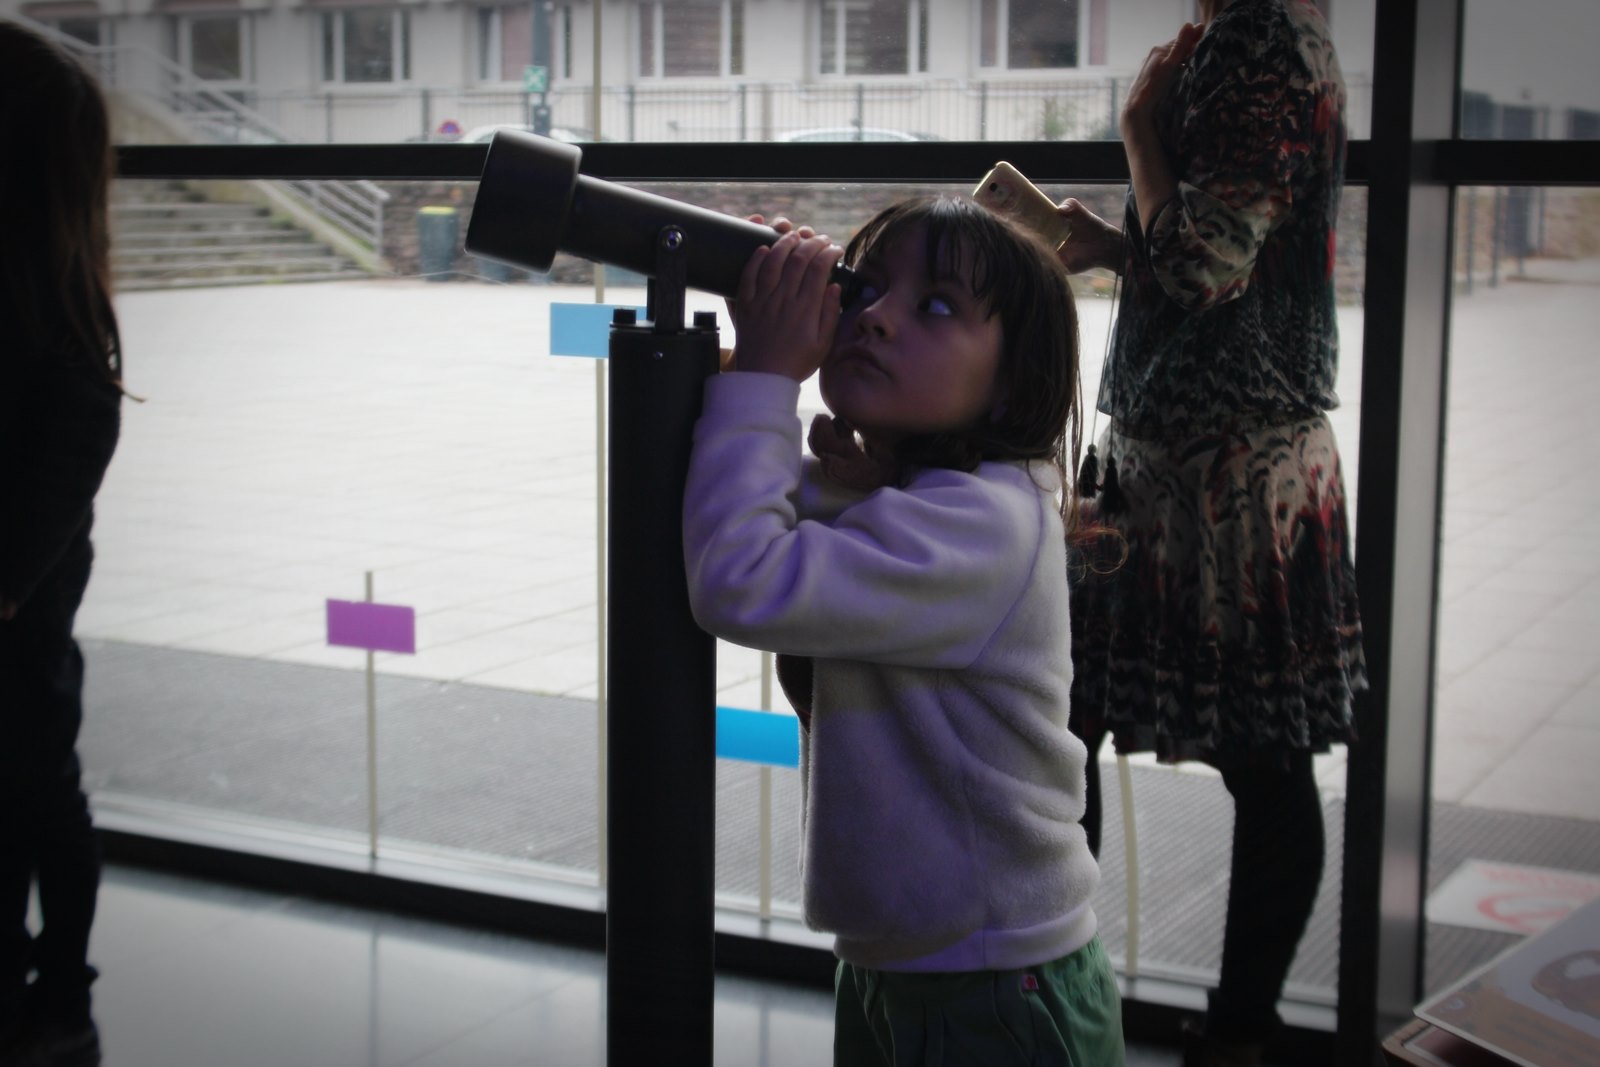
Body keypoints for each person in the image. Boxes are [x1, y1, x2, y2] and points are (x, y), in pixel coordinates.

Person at [683, 197, 1123, 1066]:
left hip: (995, 985)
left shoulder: (980, 527)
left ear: (1013, 378)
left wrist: (767, 378)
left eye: (935, 306)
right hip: (923, 960)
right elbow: (747, 506)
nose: (875, 318)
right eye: (864, 287)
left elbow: (740, 574)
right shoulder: (927, 499)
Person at [1054, 1, 1364, 1064]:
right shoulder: (1273, 33)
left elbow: (1200, 264)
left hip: (1220, 467)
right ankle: (1226, 1025)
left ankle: (1075, 986)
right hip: (1226, 452)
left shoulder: (1257, 40)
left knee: (1080, 726)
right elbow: (1214, 244)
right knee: (1246, 756)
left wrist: (1138, 132)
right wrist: (1114, 239)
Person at [1, 20, 126, 1067]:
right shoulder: (49, 294)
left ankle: (61, 989)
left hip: (19, 609)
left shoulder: (55, 310)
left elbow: (64, 467)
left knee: (35, 786)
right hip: (21, 602)